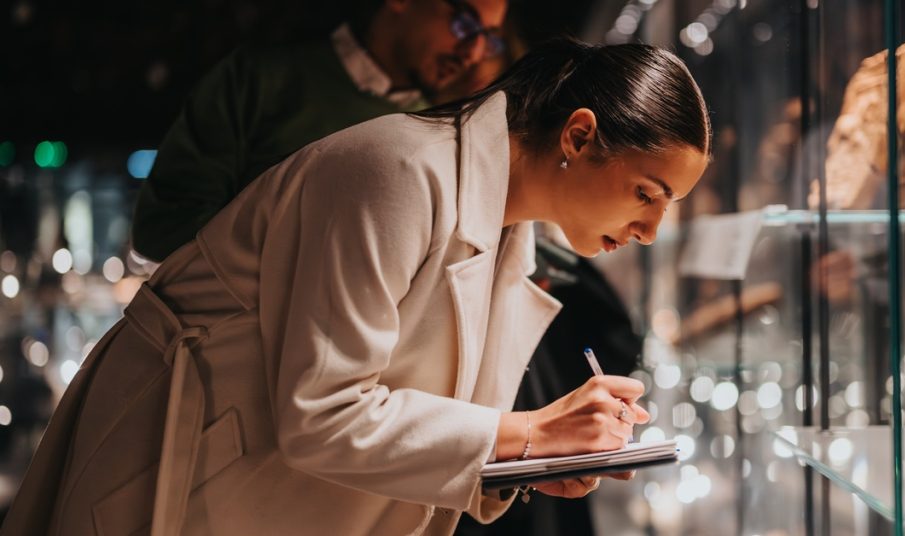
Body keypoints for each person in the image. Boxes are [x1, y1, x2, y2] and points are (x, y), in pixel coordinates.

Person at [2, 39, 710, 535]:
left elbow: (424, 428)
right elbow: (323, 413)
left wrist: (535, 457)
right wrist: (525, 433)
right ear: (580, 137)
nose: (649, 228)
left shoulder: (509, 231)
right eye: (647, 194)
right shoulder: (399, 171)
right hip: (183, 480)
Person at [132, 0, 508, 262]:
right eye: (464, 24)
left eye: (489, 37)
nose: (473, 52)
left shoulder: (445, 132)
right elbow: (164, 228)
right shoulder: (260, 81)